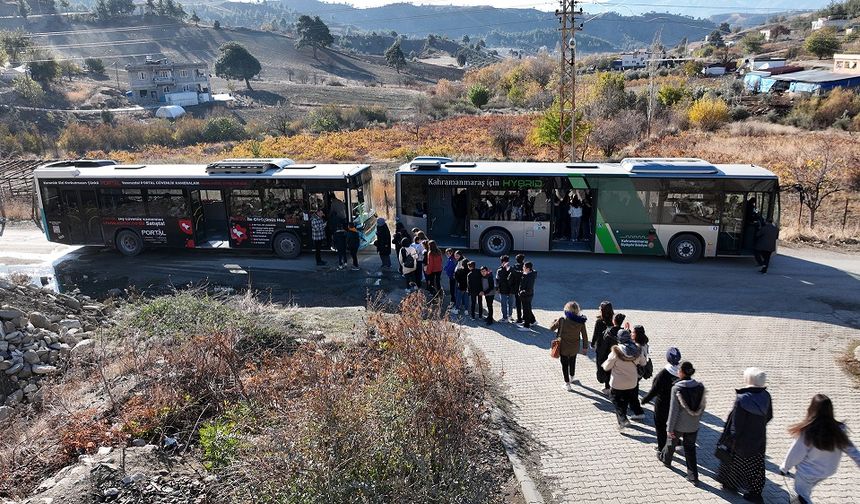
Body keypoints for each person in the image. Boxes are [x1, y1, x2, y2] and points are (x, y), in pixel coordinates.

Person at [780, 394, 860, 504]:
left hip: (807, 473)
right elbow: (852, 450)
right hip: (827, 471)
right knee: (804, 493)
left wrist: (785, 468)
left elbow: (795, 453)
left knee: (802, 496)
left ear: (812, 409)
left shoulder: (807, 432)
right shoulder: (839, 430)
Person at [717, 367, 773, 503]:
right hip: (759, 439)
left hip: (742, 442)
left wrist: (731, 440)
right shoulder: (766, 396)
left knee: (735, 464)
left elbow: (736, 425)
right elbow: (769, 416)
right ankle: (755, 493)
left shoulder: (742, 399)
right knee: (756, 467)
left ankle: (731, 485)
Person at [662, 360, 706, 486]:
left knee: (671, 443)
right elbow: (703, 406)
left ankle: (666, 460)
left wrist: (669, 428)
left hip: (679, 425)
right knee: (690, 449)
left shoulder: (677, 388)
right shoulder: (700, 387)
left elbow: (673, 411)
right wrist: (697, 421)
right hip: (693, 425)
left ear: (681, 373)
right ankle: (693, 476)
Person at [601, 328, 647, 431]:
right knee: (627, 399)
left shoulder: (616, 350)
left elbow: (607, 367)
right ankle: (632, 415)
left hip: (617, 383)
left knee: (615, 400)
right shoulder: (637, 349)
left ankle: (622, 420)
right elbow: (643, 362)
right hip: (632, 382)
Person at [642, 347, 682, 454]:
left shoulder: (663, 374)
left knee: (660, 426)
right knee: (673, 424)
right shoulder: (682, 372)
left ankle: (662, 448)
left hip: (663, 405)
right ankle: (676, 442)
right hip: (676, 406)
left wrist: (645, 399)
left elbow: (654, 390)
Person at [549, 301, 588, 390]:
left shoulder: (562, 320)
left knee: (564, 365)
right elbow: (585, 336)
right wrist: (585, 347)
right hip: (574, 347)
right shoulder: (581, 322)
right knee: (573, 361)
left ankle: (567, 384)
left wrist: (554, 321)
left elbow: (551, 328)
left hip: (563, 347)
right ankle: (572, 377)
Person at [596, 311, 625, 395]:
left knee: (608, 372)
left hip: (609, 355)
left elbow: (603, 347)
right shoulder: (624, 332)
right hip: (620, 356)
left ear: (614, 321)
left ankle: (607, 387)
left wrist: (600, 356)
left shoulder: (608, 332)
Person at [590, 301, 614, 392]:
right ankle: (608, 386)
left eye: (600, 308)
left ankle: (604, 382)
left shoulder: (599, 322)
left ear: (602, 310)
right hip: (611, 348)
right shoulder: (613, 321)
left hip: (601, 348)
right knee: (610, 366)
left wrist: (592, 344)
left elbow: (595, 335)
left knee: (601, 366)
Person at [518, 261, 537, 329]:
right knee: (528, 309)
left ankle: (526, 326)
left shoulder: (529, 277)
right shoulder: (528, 274)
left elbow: (528, 289)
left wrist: (521, 292)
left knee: (526, 311)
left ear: (528, 269)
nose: (522, 268)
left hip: (526, 296)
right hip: (526, 296)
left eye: (524, 267)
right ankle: (533, 321)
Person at [496, 256, 514, 323]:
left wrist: (497, 288)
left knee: (504, 304)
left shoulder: (499, 270)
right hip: (511, 289)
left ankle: (505, 318)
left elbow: (497, 280)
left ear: (502, 262)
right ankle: (510, 316)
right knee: (510, 303)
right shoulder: (512, 269)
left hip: (503, 289)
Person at [510, 254, 524, 323]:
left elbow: (511, 277)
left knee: (518, 303)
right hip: (524, 287)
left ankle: (519, 318)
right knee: (525, 303)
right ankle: (525, 317)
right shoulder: (525, 266)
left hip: (516, 287)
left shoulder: (514, 267)